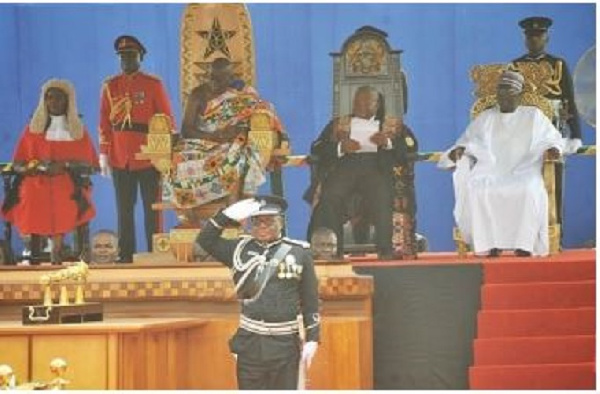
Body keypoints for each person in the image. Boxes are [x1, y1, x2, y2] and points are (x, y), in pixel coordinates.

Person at [196, 196, 320, 390]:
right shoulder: (238, 249)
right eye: (256, 221)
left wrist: (313, 338)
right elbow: (205, 240)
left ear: (281, 222)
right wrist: (225, 216)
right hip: (250, 342)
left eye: (269, 220)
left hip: (285, 344)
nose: (262, 226)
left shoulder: (299, 253)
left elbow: (310, 300)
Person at [439, 71, 563, 257]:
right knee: (478, 189)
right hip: (491, 170)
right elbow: (467, 141)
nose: (503, 99)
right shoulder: (486, 118)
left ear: (519, 96)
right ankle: (489, 243)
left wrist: (553, 149)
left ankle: (524, 244)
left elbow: (554, 138)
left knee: (528, 190)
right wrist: (459, 150)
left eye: (509, 95)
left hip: (525, 170)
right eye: (501, 95)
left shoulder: (534, 116)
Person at [305, 86, 409, 260]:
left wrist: (388, 143)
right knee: (330, 196)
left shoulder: (391, 124)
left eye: (367, 102)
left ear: (377, 104)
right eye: (357, 102)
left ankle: (385, 250)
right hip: (345, 168)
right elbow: (317, 148)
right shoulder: (340, 123)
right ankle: (333, 250)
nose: (361, 106)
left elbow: (410, 147)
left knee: (383, 196)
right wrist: (340, 147)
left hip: (377, 169)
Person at [2, 79, 98, 264]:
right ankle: (39, 247)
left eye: (59, 98)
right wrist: (32, 168)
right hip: (37, 180)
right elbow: (18, 162)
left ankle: (57, 246)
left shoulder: (78, 130)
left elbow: (90, 164)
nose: (54, 102)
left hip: (69, 181)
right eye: (50, 98)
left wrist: (66, 165)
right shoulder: (32, 129)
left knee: (63, 197)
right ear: (44, 101)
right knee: (31, 194)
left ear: (67, 101)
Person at [98, 35, 175, 263]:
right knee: (124, 210)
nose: (126, 60)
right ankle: (126, 255)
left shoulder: (153, 84)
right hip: (120, 157)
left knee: (153, 208)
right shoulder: (110, 86)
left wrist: (166, 154)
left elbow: (166, 119)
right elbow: (104, 122)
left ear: (140, 57)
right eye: (123, 56)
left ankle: (155, 252)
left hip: (149, 155)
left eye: (131, 55)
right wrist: (104, 153)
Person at [176, 57, 286, 207]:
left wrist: (238, 131)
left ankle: (232, 213)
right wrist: (215, 136)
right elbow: (186, 129)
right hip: (202, 142)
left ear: (231, 79)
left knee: (238, 156)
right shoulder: (198, 94)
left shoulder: (242, 94)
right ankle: (189, 213)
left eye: (221, 79)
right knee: (180, 158)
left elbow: (264, 112)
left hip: (233, 142)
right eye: (212, 77)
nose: (214, 82)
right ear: (207, 75)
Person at [511, 16, 582, 231]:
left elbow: (569, 100)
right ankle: (526, 236)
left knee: (553, 184)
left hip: (553, 130)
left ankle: (554, 234)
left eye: (539, 35)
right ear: (525, 40)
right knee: (524, 187)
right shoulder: (516, 66)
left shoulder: (557, 65)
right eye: (530, 36)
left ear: (546, 37)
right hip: (524, 133)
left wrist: (575, 135)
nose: (534, 40)